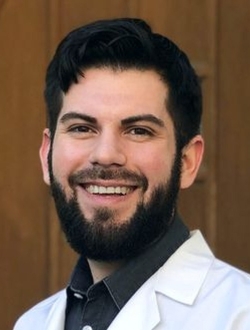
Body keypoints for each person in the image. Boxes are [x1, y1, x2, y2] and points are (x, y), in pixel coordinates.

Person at [14, 18, 250, 330]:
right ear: (47, 155)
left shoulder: (240, 314)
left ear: (188, 161)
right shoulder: (31, 324)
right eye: (82, 128)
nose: (106, 154)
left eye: (139, 131)